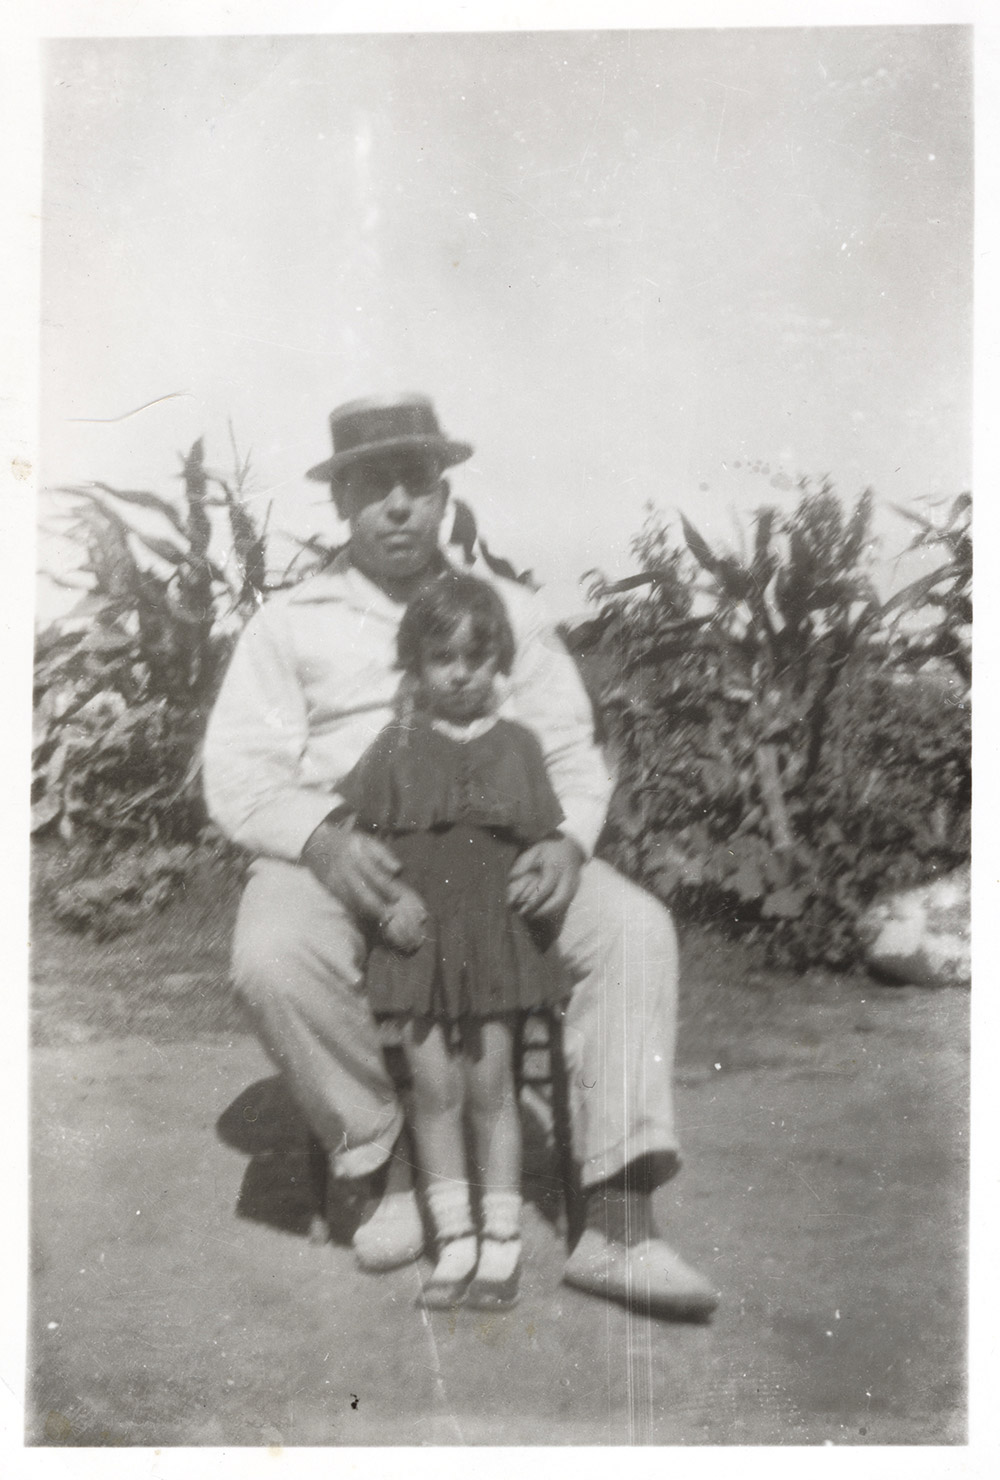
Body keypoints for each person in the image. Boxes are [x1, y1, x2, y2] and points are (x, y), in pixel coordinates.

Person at [203, 392, 718, 1320]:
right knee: (272, 957)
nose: (397, 505)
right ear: (341, 503)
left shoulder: (508, 612)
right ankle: (382, 1159)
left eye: (417, 483)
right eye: (373, 486)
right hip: (350, 850)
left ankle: (619, 1220)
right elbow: (238, 772)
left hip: (503, 852)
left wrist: (568, 840)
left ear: (444, 498)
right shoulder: (291, 623)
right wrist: (319, 841)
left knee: (635, 929)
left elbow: (566, 746)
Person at [339, 571, 570, 1310]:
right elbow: (358, 845)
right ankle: (454, 1239)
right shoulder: (395, 745)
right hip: (418, 946)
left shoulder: (519, 747)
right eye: (443, 657)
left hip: (494, 943)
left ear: (499, 658)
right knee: (434, 1093)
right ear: (416, 665)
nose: (461, 671)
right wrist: (385, 905)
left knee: (489, 1092)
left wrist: (543, 867)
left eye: (476, 655)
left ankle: (501, 1242)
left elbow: (546, 840)